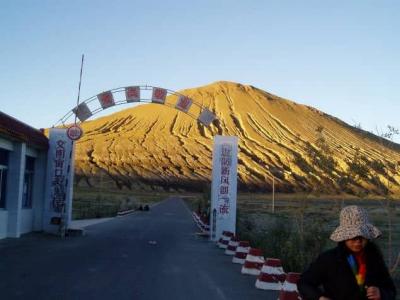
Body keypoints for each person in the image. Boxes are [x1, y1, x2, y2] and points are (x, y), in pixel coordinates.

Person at [297, 205, 396, 300]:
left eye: (362, 236)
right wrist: (320, 298)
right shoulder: (329, 259)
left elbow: (391, 290)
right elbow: (304, 283)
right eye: (352, 237)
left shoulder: (374, 258)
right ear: (344, 237)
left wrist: (381, 293)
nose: (358, 241)